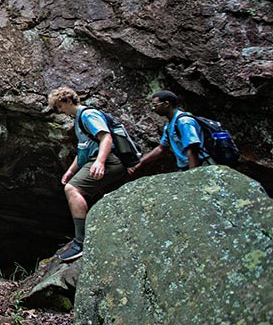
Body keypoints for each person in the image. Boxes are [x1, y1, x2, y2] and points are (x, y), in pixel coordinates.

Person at [48, 87, 127, 262]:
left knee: (72, 189)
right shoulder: (79, 120)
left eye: (59, 106)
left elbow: (106, 138)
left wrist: (100, 161)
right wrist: (70, 171)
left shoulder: (87, 115)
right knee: (82, 190)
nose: (60, 111)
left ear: (68, 101)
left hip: (109, 160)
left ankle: (80, 243)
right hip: (96, 159)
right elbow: (83, 149)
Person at [128, 90, 215, 174]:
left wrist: (191, 174)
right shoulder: (169, 125)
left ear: (166, 104)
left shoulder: (184, 122)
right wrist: (139, 163)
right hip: (187, 166)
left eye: (155, 105)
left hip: (201, 165)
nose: (153, 109)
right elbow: (161, 148)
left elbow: (192, 149)